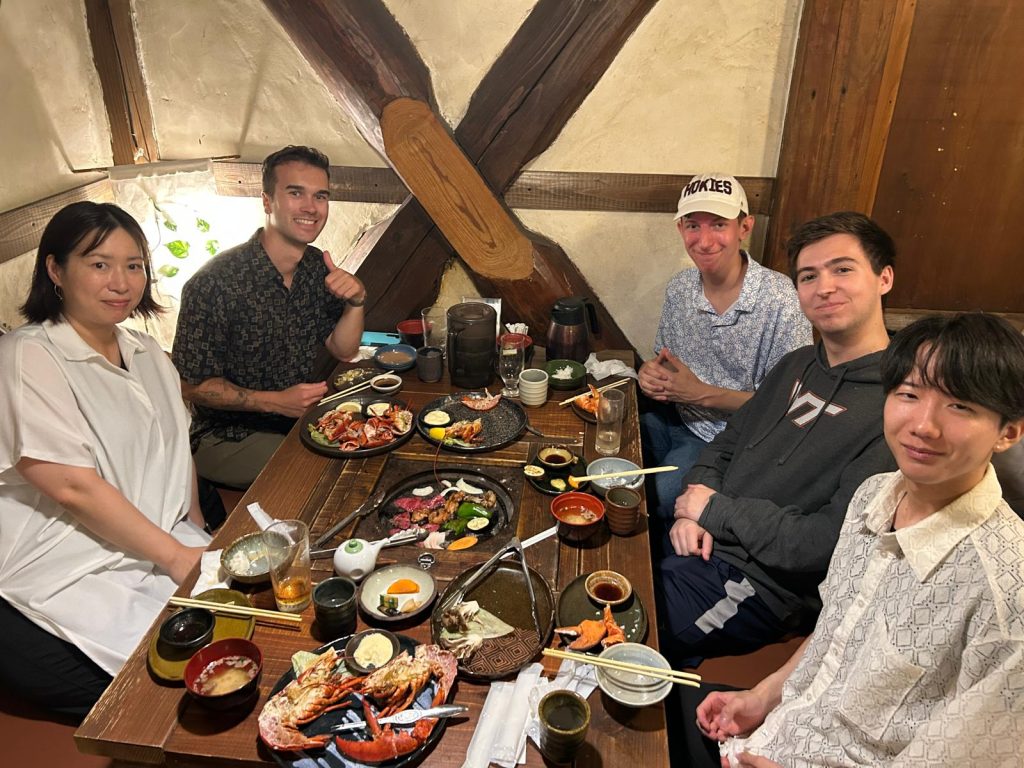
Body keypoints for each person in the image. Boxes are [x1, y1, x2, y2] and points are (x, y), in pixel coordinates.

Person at [690, 313, 1024, 767]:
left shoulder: (1008, 594)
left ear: (1009, 432)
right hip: (777, 728)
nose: (923, 425)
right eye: (908, 394)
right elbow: (840, 628)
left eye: (959, 405)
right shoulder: (874, 495)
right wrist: (763, 696)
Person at [659, 211, 898, 666]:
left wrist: (713, 510)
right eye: (809, 276)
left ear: (884, 277)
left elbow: (823, 544)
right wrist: (694, 505)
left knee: (627, 625)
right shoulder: (797, 365)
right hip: (705, 538)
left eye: (843, 269)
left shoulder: (896, 405)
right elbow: (728, 440)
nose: (824, 286)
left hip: (757, 583)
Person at [0, 202, 209, 722]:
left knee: (253, 631)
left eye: (134, 265)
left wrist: (198, 533)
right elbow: (72, 487)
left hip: (157, 539)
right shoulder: (30, 354)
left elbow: (177, 449)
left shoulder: (146, 353)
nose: (121, 282)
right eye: (99, 264)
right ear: (55, 270)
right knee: (168, 693)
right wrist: (178, 556)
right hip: (65, 563)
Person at [173, 145, 366, 492]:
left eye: (320, 196)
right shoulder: (215, 282)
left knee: (373, 439)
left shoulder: (314, 268)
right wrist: (275, 402)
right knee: (332, 472)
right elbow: (190, 386)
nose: (310, 207)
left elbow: (343, 349)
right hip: (225, 437)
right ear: (267, 201)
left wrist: (356, 301)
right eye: (296, 193)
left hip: (297, 424)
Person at [639, 173, 811, 526]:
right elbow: (666, 361)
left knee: (657, 495)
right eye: (693, 226)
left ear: (744, 227)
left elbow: (791, 406)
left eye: (718, 224)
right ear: (680, 229)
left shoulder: (780, 299)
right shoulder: (680, 287)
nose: (704, 241)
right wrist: (651, 375)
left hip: (733, 442)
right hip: (676, 418)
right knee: (609, 459)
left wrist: (701, 394)